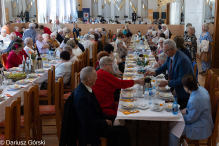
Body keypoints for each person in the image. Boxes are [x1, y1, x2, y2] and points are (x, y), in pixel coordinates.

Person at [64, 66, 131, 146]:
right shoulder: (82, 97)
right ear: (89, 80)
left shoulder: (86, 88)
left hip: (96, 120)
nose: (97, 78)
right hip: (90, 129)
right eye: (95, 76)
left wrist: (107, 118)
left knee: (119, 118)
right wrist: (105, 122)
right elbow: (87, 124)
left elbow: (96, 110)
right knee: (122, 131)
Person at [144, 39, 194, 109]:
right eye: (164, 50)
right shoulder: (170, 54)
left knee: (174, 109)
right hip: (175, 88)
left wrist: (167, 82)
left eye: (166, 50)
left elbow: (182, 80)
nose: (164, 53)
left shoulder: (182, 60)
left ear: (173, 49)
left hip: (183, 91)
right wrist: (154, 72)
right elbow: (164, 66)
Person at [169, 74, 214, 146]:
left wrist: (179, 116)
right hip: (206, 121)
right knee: (174, 124)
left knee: (174, 133)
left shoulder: (194, 100)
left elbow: (190, 119)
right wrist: (186, 111)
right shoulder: (202, 89)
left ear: (186, 87)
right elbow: (198, 108)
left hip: (201, 126)